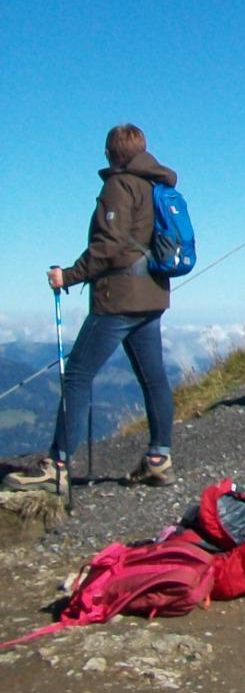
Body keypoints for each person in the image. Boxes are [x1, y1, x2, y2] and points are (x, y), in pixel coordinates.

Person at [7, 125, 180, 494]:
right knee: (154, 377)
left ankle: (57, 465)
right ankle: (159, 457)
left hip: (118, 298)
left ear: (110, 153)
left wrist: (67, 276)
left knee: (78, 375)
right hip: (152, 296)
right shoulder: (155, 185)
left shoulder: (119, 186)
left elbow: (109, 247)